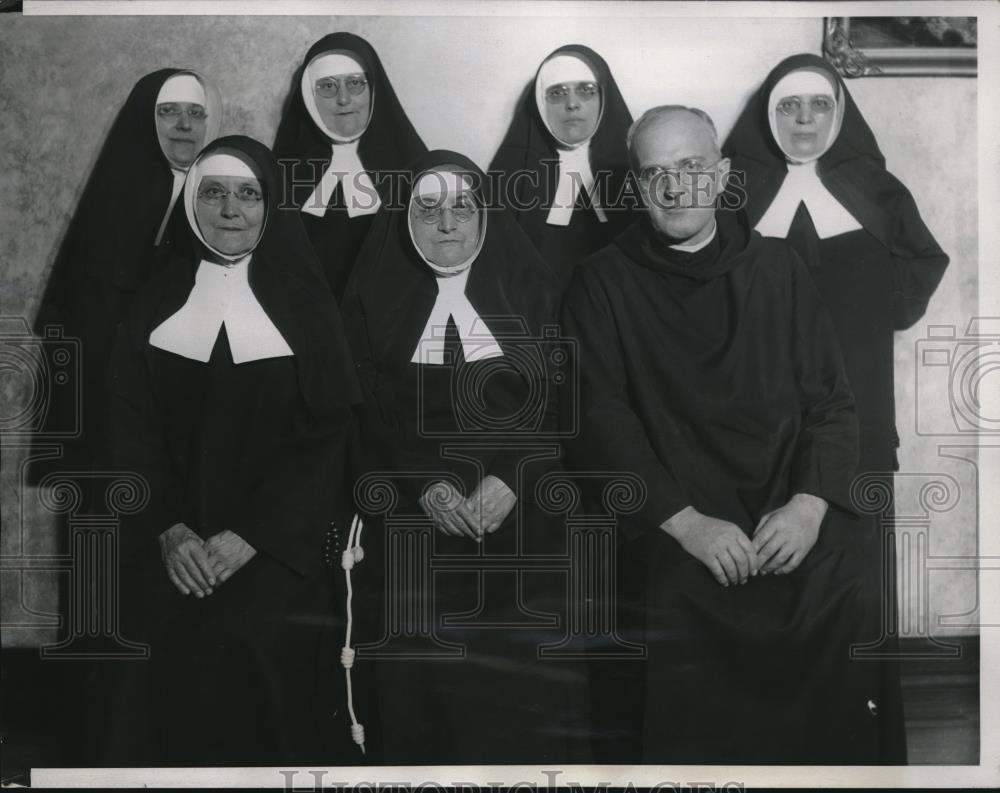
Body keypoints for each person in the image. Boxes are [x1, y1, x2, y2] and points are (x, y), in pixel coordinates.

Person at [562, 106, 878, 763]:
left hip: (784, 500)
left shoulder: (780, 268)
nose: (675, 188)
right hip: (679, 512)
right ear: (638, 188)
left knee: (840, 573)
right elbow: (600, 420)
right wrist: (686, 523)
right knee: (679, 594)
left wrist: (809, 505)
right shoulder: (601, 282)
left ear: (724, 176)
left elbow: (833, 401)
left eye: (691, 167)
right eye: (656, 175)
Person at [723, 52, 950, 763]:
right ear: (767, 115)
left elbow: (923, 264)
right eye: (789, 107)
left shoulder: (877, 190)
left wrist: (863, 319)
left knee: (852, 587)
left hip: (859, 414)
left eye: (818, 106)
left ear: (840, 113)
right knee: (767, 582)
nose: (803, 121)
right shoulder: (735, 191)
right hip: (754, 420)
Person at [109, 136, 363, 766]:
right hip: (168, 549)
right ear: (192, 203)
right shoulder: (151, 300)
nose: (230, 210)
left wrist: (253, 535)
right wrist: (168, 528)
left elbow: (329, 440)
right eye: (213, 192)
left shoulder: (307, 304)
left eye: (247, 194)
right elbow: (124, 428)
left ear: (269, 206)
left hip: (278, 555)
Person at [340, 150, 585, 764]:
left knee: (523, 695)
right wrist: (424, 484)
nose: (446, 223)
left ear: (484, 219)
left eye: (462, 207)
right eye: (427, 208)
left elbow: (574, 403)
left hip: (527, 516)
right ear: (404, 218)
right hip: (411, 520)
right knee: (419, 695)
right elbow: (354, 419)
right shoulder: (371, 301)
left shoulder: (535, 290)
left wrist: (514, 476)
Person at [34, 69, 221, 479]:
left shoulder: (224, 195)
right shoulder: (111, 204)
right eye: (168, 112)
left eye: (196, 113)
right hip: (118, 411)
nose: (185, 125)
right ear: (144, 120)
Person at [273, 32, 427, 300]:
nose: (343, 99)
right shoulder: (282, 174)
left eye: (355, 83)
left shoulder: (413, 169)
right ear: (309, 97)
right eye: (327, 86)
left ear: (374, 91)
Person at [489, 45, 636, 286]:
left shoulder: (638, 173)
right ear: (540, 102)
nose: (572, 104)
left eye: (586, 91)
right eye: (557, 93)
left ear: (604, 98)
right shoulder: (509, 177)